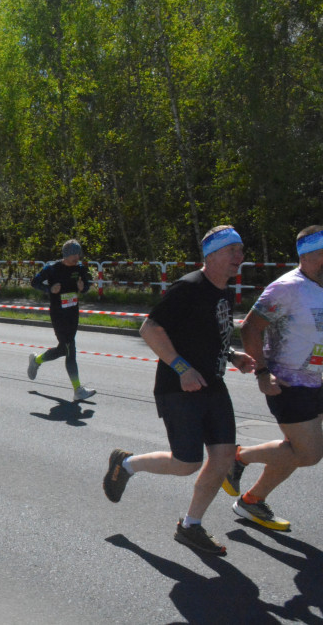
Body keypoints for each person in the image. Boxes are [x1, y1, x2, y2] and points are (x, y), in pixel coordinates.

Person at [102, 225, 256, 555]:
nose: (240, 258)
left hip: (213, 386)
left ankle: (191, 526)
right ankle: (126, 464)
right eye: (233, 251)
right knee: (186, 463)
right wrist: (182, 368)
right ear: (212, 255)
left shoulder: (225, 291)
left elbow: (210, 335)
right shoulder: (187, 288)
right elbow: (150, 328)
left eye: (241, 251)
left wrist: (233, 355)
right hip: (178, 388)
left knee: (223, 457)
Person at [221, 225, 323, 532]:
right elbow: (250, 327)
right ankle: (238, 458)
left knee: (292, 450)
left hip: (313, 379)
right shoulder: (286, 287)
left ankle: (252, 500)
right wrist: (262, 372)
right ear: (306, 255)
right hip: (286, 381)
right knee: (309, 454)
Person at [27, 239, 97, 401]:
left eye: (78, 253)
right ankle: (78, 390)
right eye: (74, 254)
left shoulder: (80, 268)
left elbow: (86, 286)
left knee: (63, 349)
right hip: (59, 314)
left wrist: (82, 288)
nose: (77, 257)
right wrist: (49, 289)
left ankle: (36, 360)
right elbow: (34, 282)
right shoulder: (52, 268)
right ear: (66, 254)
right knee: (70, 350)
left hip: (73, 312)